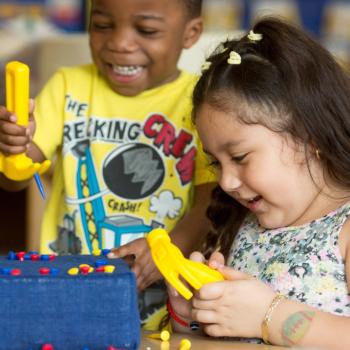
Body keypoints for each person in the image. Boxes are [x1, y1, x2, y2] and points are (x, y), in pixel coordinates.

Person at [0, 0, 215, 318]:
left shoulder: (203, 102)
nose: (119, 43)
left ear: (190, 32)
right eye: (102, 25)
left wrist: (166, 249)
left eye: (146, 30)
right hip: (64, 298)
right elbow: (14, 179)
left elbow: (211, 203)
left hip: (168, 313)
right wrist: (11, 149)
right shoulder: (67, 86)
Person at [166, 17, 350, 349]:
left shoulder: (345, 229)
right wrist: (191, 315)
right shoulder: (244, 228)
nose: (226, 181)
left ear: (308, 134)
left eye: (239, 157)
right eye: (215, 162)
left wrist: (269, 314)